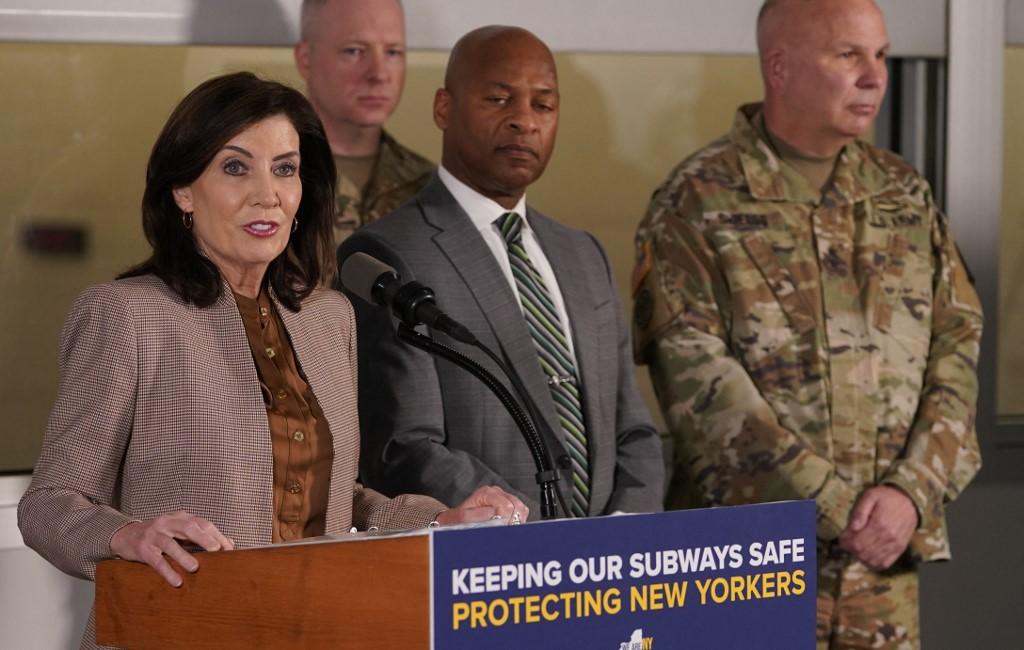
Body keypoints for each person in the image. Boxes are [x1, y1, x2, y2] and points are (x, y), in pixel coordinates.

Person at [17, 71, 527, 650]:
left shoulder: (327, 318)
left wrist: (438, 521)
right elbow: (49, 506)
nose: (269, 194)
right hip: (176, 633)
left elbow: (337, 499)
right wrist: (127, 535)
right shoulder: (127, 316)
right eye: (236, 167)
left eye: (285, 168)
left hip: (317, 630)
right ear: (183, 191)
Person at [632, 1, 983, 647]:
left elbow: (957, 341)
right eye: (848, 54)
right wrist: (837, 507)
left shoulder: (902, 193)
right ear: (779, 66)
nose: (875, 76)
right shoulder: (697, 202)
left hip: (883, 575)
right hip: (748, 572)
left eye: (878, 55)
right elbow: (697, 381)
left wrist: (911, 492)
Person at [337, 26, 664, 521]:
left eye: (544, 105)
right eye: (499, 99)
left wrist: (618, 533)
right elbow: (405, 447)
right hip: (492, 567)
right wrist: (540, 537)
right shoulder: (391, 252)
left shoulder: (584, 255)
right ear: (444, 108)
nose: (523, 122)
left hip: (611, 572)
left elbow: (633, 430)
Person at [294, 0, 433, 238]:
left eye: (392, 52)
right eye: (354, 51)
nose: (378, 74)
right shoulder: (266, 176)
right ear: (306, 59)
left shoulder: (431, 188)